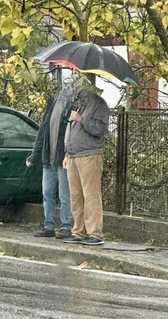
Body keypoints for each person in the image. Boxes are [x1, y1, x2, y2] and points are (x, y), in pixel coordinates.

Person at [26, 77, 74, 239]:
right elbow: (42, 133)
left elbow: (72, 134)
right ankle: (49, 226)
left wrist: (69, 154)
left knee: (64, 195)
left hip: (62, 159)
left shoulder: (71, 106)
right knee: (47, 194)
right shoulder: (51, 105)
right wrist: (34, 155)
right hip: (48, 158)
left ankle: (66, 226)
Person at [62, 87, 110, 245]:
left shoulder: (99, 104)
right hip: (73, 156)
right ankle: (78, 231)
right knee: (76, 196)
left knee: (91, 195)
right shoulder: (80, 105)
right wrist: (66, 154)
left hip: (89, 155)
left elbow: (100, 129)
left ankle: (95, 233)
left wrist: (81, 119)